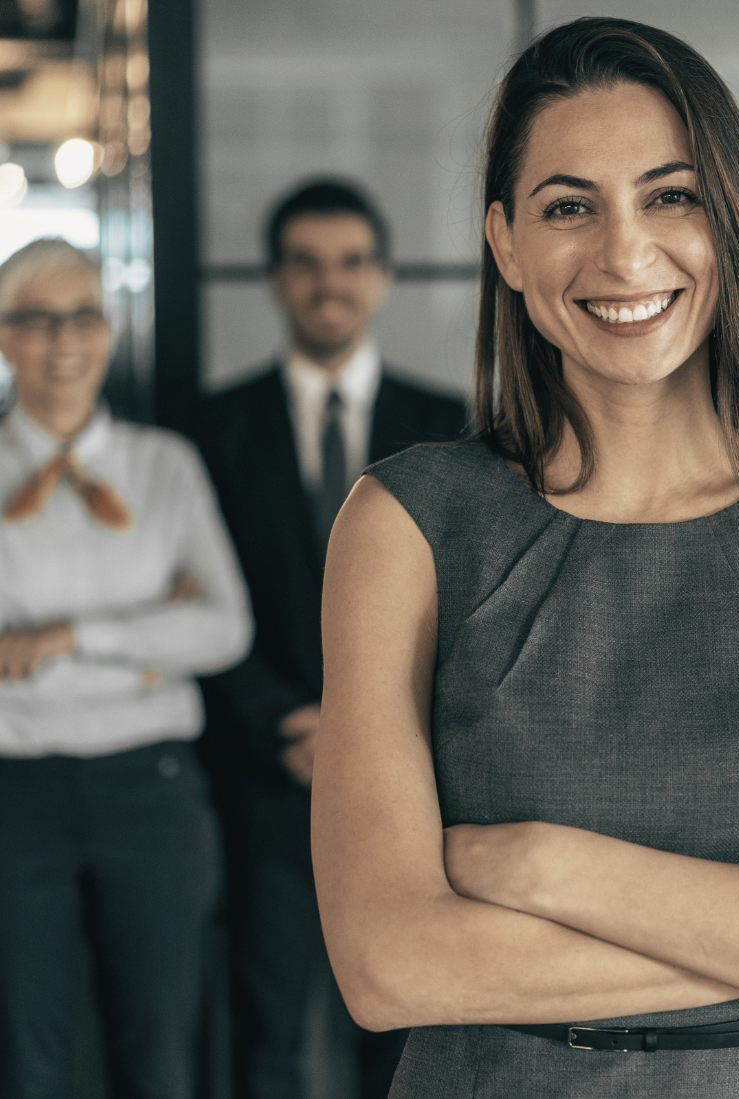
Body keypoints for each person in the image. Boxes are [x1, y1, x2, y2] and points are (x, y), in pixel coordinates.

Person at [311, 19, 739, 1099]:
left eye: (671, 195)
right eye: (569, 206)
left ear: (731, 220)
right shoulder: (403, 525)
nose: (625, 254)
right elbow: (389, 964)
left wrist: (542, 866)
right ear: (505, 243)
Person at [195, 179, 466, 1099]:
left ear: (383, 277)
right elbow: (200, 604)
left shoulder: (451, 428)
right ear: (274, 280)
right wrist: (291, 723)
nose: (329, 284)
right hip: (273, 771)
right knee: (267, 1029)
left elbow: (467, 607)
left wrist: (375, 731)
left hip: (411, 782)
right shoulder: (211, 429)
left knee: (394, 1030)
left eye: (351, 262)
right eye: (305, 263)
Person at [0, 238, 252, 1098]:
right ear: (3, 339)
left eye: (82, 316)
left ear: (109, 331)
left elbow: (223, 629)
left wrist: (66, 640)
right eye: (35, 320)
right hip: (13, 788)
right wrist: (152, 643)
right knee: (22, 1053)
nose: (62, 340)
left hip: (150, 787)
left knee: (160, 1052)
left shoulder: (164, 465)